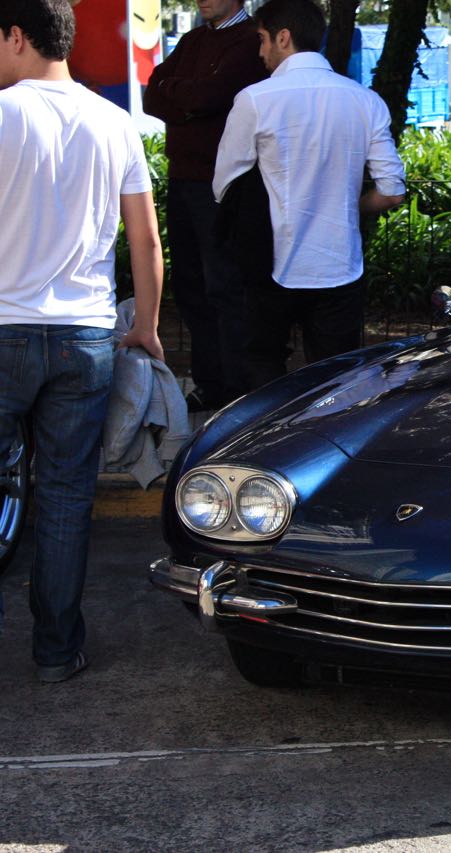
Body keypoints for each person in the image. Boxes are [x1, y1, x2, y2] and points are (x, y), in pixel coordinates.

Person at [0, 0, 164, 682]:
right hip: (87, 336)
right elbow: (146, 240)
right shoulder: (114, 122)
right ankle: (56, 651)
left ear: (15, 36)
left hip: (3, 328)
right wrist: (146, 326)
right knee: (67, 497)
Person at [212, 0, 405, 389]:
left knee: (263, 372)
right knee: (337, 385)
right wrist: (348, 205)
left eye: (262, 39)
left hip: (271, 263)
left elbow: (224, 186)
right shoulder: (365, 101)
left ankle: (271, 430)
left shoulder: (256, 99)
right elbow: (391, 193)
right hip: (341, 266)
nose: (260, 51)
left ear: (283, 37)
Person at [142, 0, 265, 412]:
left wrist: (183, 95)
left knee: (224, 286)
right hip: (183, 180)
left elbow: (212, 97)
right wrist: (189, 98)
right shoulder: (193, 40)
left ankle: (235, 388)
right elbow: (152, 95)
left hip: (223, 184)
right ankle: (209, 382)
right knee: (191, 286)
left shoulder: (250, 40)